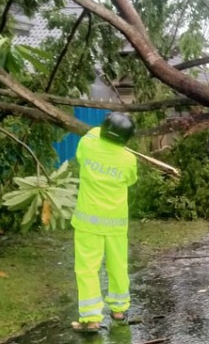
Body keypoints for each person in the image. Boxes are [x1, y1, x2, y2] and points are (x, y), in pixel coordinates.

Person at [71, 112, 138, 333]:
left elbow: (89, 137)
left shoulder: (88, 144)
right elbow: (131, 180)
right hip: (116, 224)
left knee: (87, 269)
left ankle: (91, 319)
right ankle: (119, 311)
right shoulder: (128, 159)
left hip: (87, 222)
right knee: (118, 266)